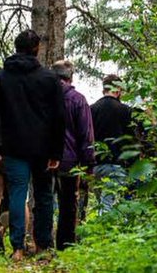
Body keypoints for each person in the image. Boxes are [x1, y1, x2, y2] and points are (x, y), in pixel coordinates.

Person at [0, 29, 66, 261]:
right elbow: (59, 118)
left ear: (16, 47)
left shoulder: (2, 77)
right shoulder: (49, 78)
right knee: (43, 196)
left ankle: (18, 249)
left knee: (18, 194)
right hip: (42, 149)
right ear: (36, 49)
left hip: (13, 147)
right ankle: (42, 247)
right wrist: (56, 151)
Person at [50, 60, 95, 250]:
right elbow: (86, 135)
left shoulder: (43, 98)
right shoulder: (78, 100)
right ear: (71, 76)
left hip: (43, 158)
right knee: (68, 204)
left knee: (43, 201)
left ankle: (41, 243)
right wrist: (89, 163)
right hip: (69, 161)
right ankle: (65, 245)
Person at [89, 74, 146, 213]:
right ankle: (105, 233)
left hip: (96, 166)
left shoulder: (91, 109)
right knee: (109, 206)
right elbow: (132, 138)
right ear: (118, 89)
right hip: (116, 165)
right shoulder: (125, 110)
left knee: (102, 203)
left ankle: (101, 230)